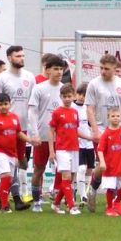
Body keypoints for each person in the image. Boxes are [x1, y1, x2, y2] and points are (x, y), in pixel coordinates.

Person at [0, 46, 37, 205]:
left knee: (20, 162)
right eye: (18, 56)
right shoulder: (2, 78)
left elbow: (33, 104)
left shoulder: (30, 77)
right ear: (10, 58)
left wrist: (33, 127)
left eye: (23, 55)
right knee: (11, 163)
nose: (21, 58)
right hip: (5, 128)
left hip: (23, 128)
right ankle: (17, 198)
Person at [27, 53, 67, 211]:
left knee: (62, 169)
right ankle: (36, 201)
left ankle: (56, 200)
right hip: (42, 136)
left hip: (61, 138)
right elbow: (32, 112)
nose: (59, 72)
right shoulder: (39, 88)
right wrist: (34, 133)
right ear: (47, 70)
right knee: (39, 169)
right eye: (55, 69)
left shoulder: (65, 89)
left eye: (61, 69)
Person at [0, 92, 27, 212]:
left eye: (5, 104)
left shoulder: (14, 117)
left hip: (11, 153)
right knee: (6, 176)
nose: (3, 106)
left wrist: (30, 140)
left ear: (10, 104)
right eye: (0, 104)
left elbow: (18, 133)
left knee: (7, 179)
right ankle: (4, 205)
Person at [49, 84, 83, 214]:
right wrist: (52, 151)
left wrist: (91, 137)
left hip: (74, 148)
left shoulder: (75, 112)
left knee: (70, 178)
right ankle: (71, 206)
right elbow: (51, 131)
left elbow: (75, 130)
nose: (67, 99)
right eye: (65, 97)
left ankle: (56, 204)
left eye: (69, 96)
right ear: (60, 97)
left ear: (73, 96)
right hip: (62, 149)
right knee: (66, 177)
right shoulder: (57, 112)